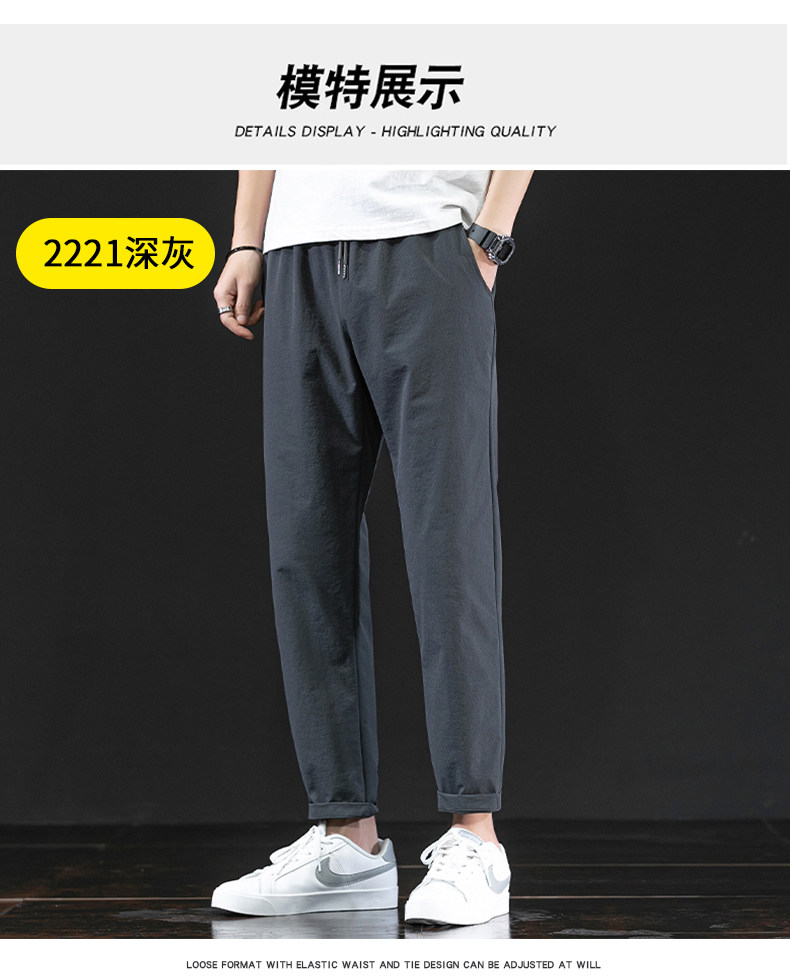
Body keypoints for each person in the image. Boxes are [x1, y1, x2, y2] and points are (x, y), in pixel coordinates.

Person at [210, 169, 533, 926]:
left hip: (428, 243)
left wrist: (489, 236)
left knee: (450, 545)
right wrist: (248, 240)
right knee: (307, 547)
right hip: (298, 255)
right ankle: (345, 837)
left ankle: (476, 837)